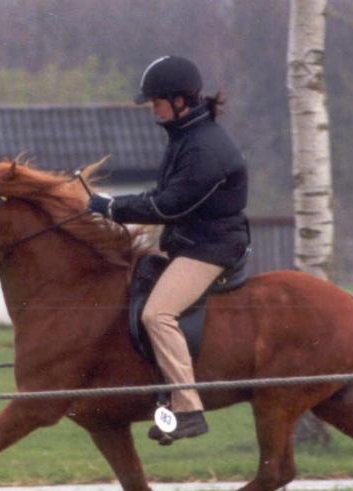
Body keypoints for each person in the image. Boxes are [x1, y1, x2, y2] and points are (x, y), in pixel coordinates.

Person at [87, 56, 250, 442]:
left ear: (181, 101)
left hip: (211, 247)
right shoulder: (186, 138)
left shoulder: (204, 149)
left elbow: (168, 206)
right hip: (189, 238)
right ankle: (161, 394)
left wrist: (112, 207)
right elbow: (161, 198)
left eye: (157, 102)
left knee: (157, 314)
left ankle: (189, 410)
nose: (152, 110)